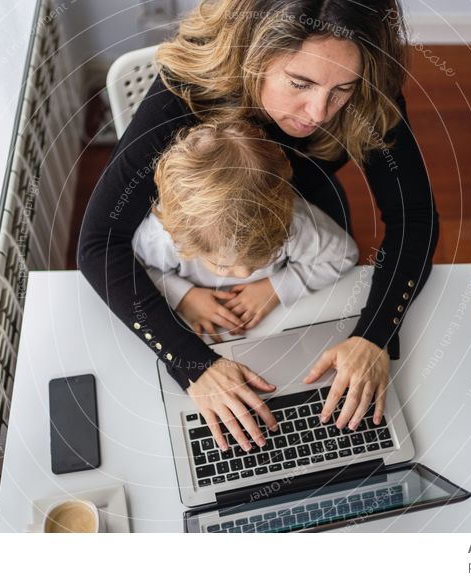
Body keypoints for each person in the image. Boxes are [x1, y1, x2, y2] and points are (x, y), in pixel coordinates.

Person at [78, 0, 439, 453]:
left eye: (343, 88)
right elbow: (98, 243)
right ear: (254, 54)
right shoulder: (187, 89)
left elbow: (413, 217)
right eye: (300, 83)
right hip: (203, 227)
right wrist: (192, 365)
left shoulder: (366, 87)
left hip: (309, 221)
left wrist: (374, 336)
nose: (320, 113)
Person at [132, 122, 359, 355]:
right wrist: (183, 296)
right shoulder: (165, 238)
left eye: (263, 258)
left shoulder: (292, 223)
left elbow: (343, 256)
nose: (245, 273)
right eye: (222, 264)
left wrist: (275, 288)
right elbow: (133, 267)